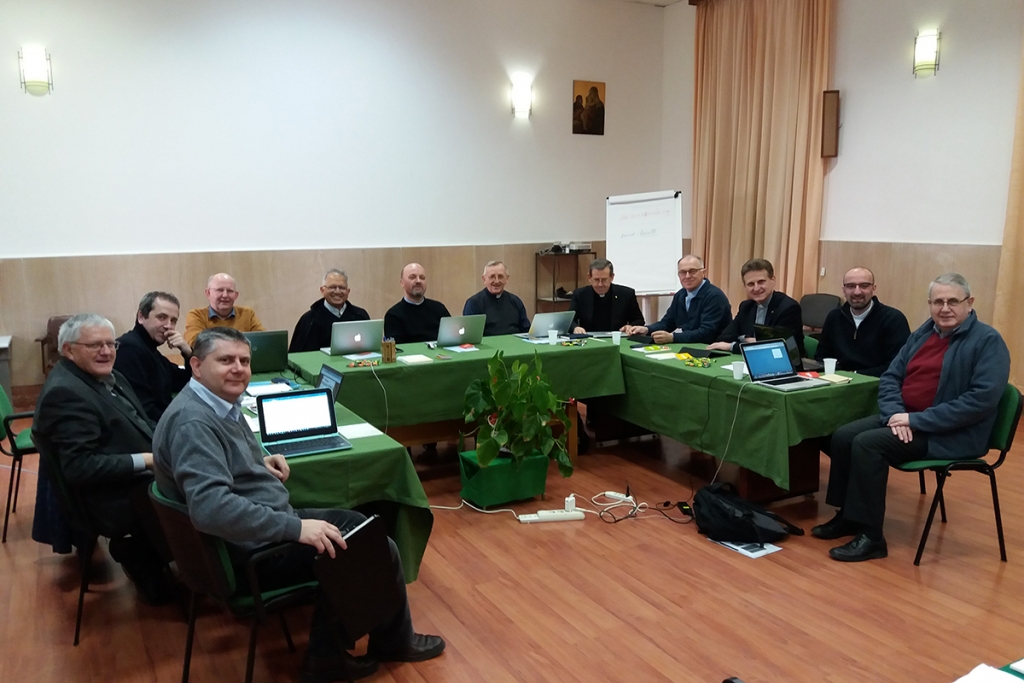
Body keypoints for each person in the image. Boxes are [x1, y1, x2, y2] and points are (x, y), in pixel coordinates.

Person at [152, 328, 445, 681]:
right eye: (226, 360)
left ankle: (366, 644)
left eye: (244, 360)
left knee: (364, 527)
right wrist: (295, 529)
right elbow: (211, 509)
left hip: (256, 530)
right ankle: (332, 658)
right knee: (372, 547)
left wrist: (257, 463)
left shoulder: (212, 402)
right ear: (197, 366)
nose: (238, 369)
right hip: (248, 553)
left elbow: (218, 468)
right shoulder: (194, 422)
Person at [813, 273, 1010, 562]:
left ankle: (872, 537)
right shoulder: (922, 334)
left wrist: (916, 421)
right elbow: (891, 377)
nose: (945, 308)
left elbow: (979, 401)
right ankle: (849, 516)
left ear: (969, 303)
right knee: (843, 435)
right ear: (930, 304)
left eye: (953, 301)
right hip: (906, 417)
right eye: (938, 302)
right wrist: (896, 414)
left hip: (949, 433)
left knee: (868, 445)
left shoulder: (988, 341)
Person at [33, 313, 173, 603]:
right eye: (95, 345)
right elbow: (80, 467)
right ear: (68, 350)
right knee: (204, 490)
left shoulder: (105, 376)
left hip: (137, 477)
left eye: (111, 344)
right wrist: (147, 460)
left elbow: (141, 422)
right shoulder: (66, 393)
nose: (107, 351)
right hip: (115, 498)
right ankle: (209, 569)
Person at [814, 267, 911, 376]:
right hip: (837, 379)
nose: (857, 292)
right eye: (851, 286)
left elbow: (897, 364)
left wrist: (854, 374)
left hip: (876, 381)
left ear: (873, 288)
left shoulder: (893, 319)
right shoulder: (834, 317)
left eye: (864, 286)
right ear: (844, 290)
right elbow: (822, 356)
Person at [114, 291, 192, 422]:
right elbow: (144, 410)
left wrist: (188, 353)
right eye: (161, 317)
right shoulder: (129, 349)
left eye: (173, 320)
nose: (168, 326)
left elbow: (184, 382)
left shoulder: (149, 348)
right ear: (141, 317)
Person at [624, 255, 731, 344]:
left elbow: (706, 333)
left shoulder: (715, 297)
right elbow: (667, 323)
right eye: (683, 272)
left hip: (715, 350)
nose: (687, 276)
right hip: (691, 347)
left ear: (703, 272)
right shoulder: (680, 295)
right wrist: (646, 329)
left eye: (692, 271)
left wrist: (673, 337)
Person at [707, 258, 804, 355]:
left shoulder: (789, 308)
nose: (756, 288)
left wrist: (732, 346)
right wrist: (747, 339)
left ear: (773, 281)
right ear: (745, 286)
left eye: (761, 282)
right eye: (751, 284)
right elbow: (724, 337)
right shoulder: (746, 307)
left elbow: (775, 347)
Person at [290, 269, 371, 352]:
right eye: (332, 287)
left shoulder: (360, 316)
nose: (337, 291)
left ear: (348, 291)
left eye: (342, 288)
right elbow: (297, 355)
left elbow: (370, 347)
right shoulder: (310, 320)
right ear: (322, 290)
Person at [184, 272, 265, 346]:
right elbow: (196, 343)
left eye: (230, 291)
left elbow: (262, 340)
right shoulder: (197, 315)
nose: (225, 295)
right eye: (220, 290)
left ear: (236, 295)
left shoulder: (247, 314)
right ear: (208, 293)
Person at [569, 258, 644, 334]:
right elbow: (570, 321)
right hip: (588, 337)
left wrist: (630, 326)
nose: (600, 284)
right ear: (589, 277)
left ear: (612, 277)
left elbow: (639, 320)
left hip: (617, 337)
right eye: (596, 280)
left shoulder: (626, 294)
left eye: (604, 280)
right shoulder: (580, 295)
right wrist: (575, 328)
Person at [384, 263, 451, 343]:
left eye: (422, 278)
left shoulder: (439, 309)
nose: (418, 281)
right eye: (412, 277)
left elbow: (452, 337)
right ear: (402, 283)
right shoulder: (393, 315)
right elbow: (397, 347)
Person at [462, 261, 530, 336]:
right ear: (484, 279)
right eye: (492, 277)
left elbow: (526, 331)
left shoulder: (515, 301)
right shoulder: (474, 303)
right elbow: (471, 335)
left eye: (500, 276)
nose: (497, 281)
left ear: (507, 279)